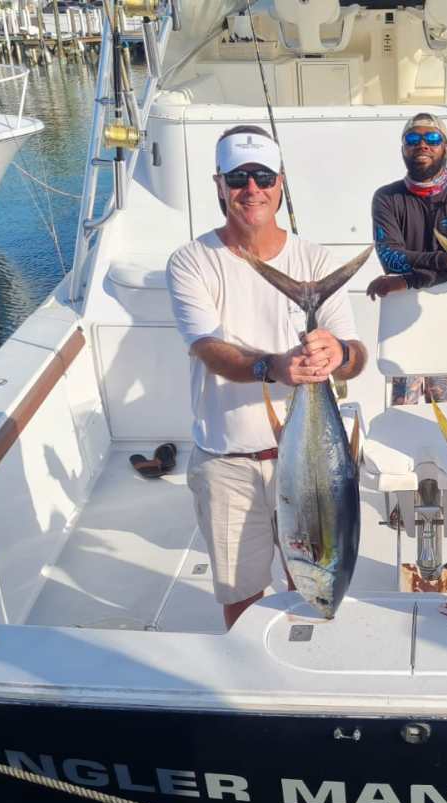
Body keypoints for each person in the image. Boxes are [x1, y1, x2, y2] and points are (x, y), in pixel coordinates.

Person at [167, 126, 368, 631]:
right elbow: (209, 350)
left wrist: (337, 351)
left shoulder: (315, 260)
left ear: (280, 183)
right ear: (219, 184)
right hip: (228, 460)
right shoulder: (191, 261)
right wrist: (273, 367)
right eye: (238, 178)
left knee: (308, 582)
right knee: (241, 596)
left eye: (261, 176)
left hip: (309, 461)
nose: (250, 189)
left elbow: (357, 357)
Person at [366, 113, 447, 404]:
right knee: (403, 416)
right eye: (412, 139)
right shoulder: (386, 197)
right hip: (402, 321)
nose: (423, 145)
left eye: (432, 139)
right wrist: (444, 261)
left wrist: (406, 282)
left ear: (446, 148)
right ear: (403, 149)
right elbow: (390, 258)